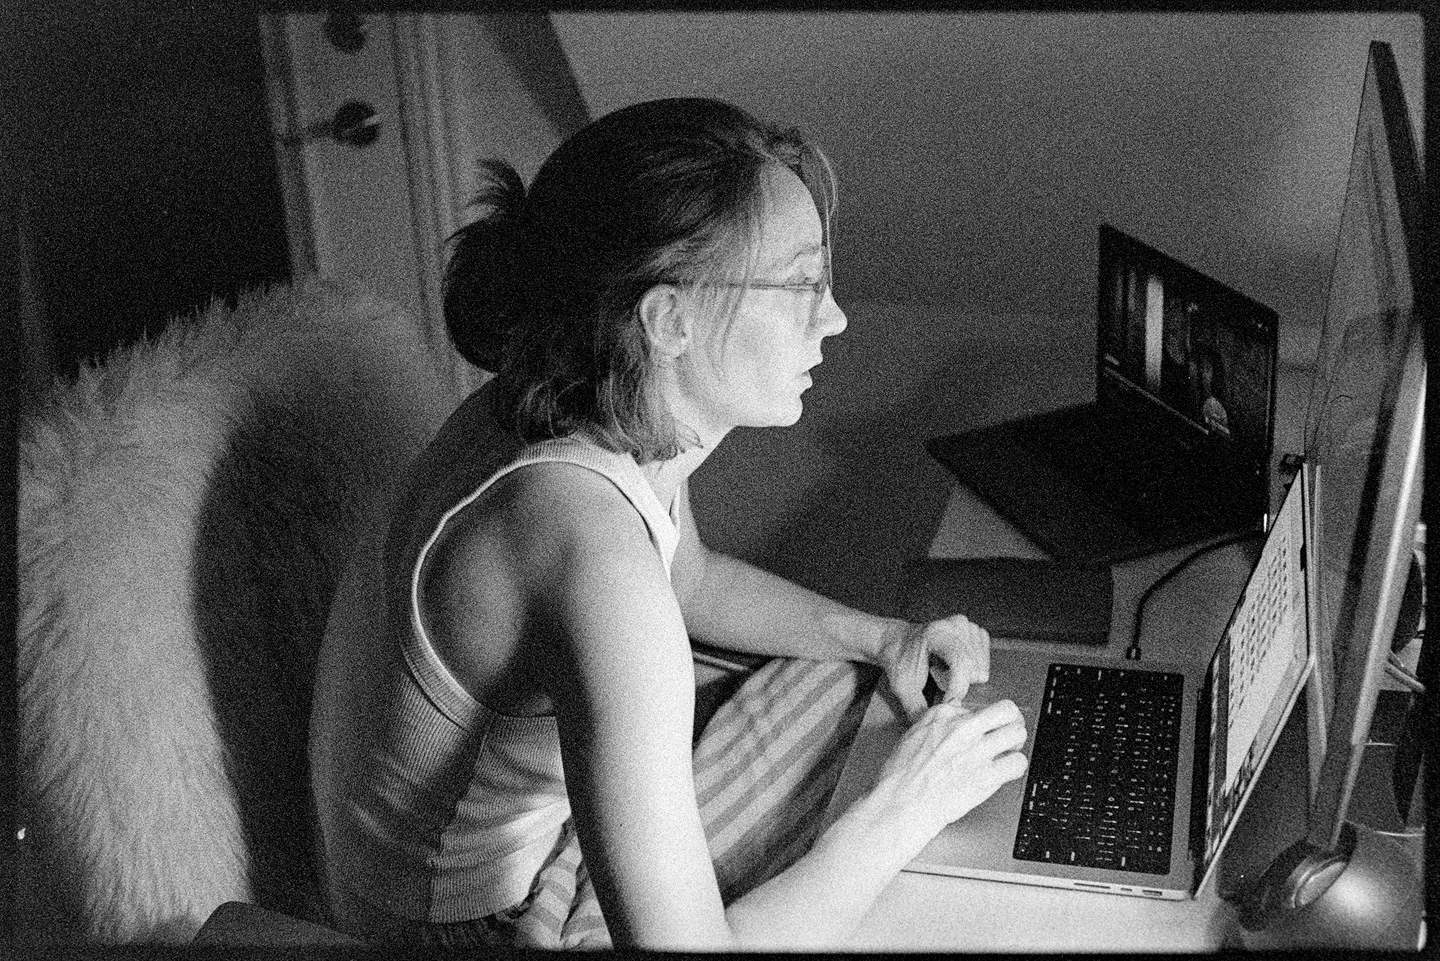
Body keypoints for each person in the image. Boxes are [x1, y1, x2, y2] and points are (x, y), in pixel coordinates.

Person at [309, 97, 1028, 952]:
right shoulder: (591, 551)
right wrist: (898, 812)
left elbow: (693, 579)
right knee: (892, 844)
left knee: (857, 691)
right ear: (668, 320)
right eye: (802, 284)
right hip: (469, 927)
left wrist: (884, 638)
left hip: (462, 854)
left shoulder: (585, 402)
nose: (832, 316)